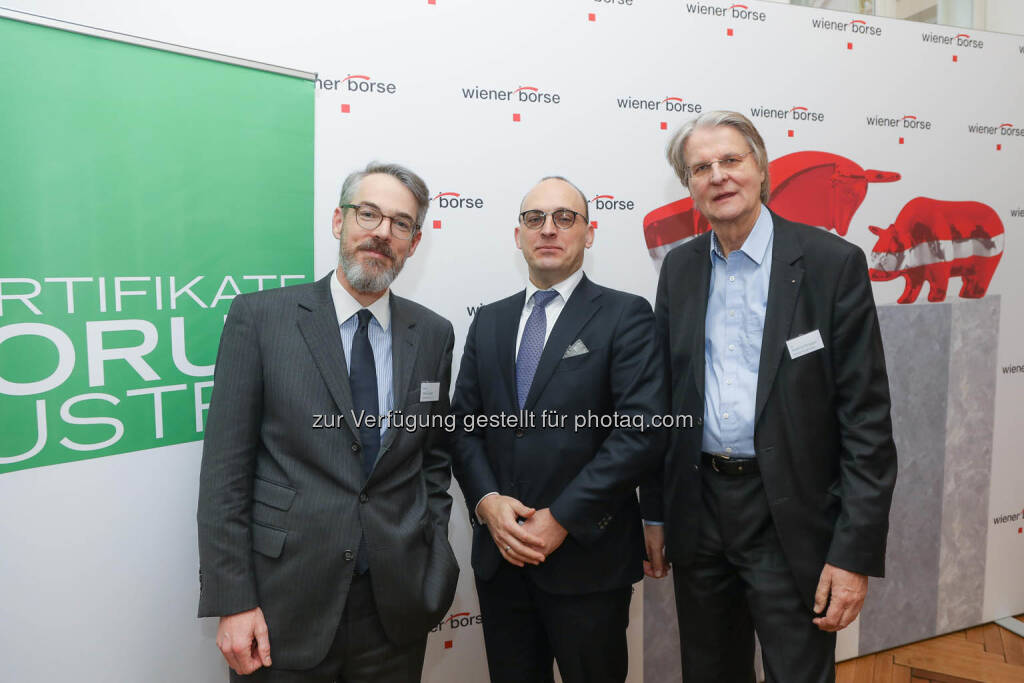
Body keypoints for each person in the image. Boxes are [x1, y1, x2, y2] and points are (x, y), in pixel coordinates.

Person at [641, 111, 898, 683]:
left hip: (791, 516)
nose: (718, 176)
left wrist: (852, 554)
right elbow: (664, 404)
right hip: (699, 512)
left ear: (761, 169)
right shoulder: (679, 268)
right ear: (689, 186)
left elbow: (866, 421)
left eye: (731, 160)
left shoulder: (832, 264)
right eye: (700, 167)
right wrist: (655, 511)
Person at [197, 162, 459, 682]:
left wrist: (433, 551)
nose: (382, 233)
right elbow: (226, 472)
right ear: (339, 221)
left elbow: (432, 459)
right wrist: (234, 599)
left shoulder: (432, 333)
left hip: (395, 609)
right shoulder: (261, 318)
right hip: (280, 606)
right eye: (369, 214)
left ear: (413, 241)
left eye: (400, 224)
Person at [451, 176, 666, 683]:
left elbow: (641, 433)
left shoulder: (625, 315)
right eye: (534, 219)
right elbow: (463, 427)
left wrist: (562, 518)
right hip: (502, 560)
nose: (548, 229)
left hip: (588, 560)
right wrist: (486, 502)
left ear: (588, 234)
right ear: (518, 235)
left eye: (564, 218)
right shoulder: (490, 321)